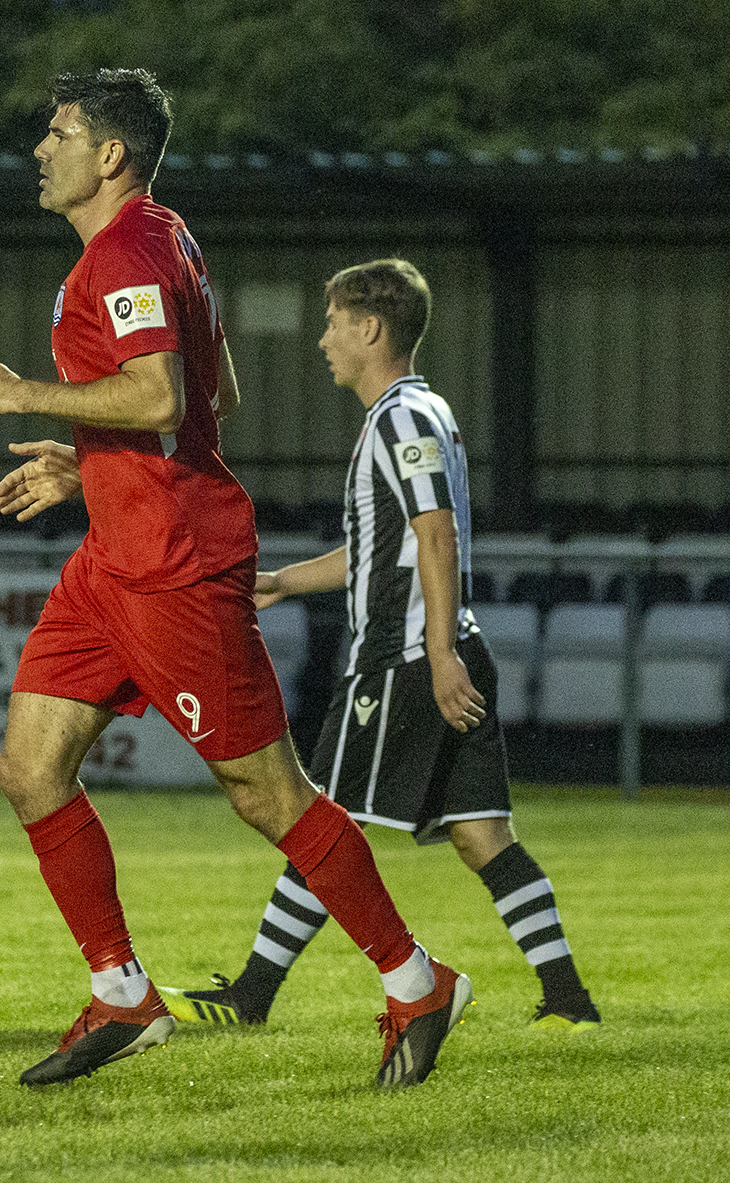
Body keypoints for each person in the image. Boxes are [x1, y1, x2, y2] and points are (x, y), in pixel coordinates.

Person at [0, 69, 470, 1089]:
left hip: (174, 567)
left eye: (59, 134)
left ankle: (417, 981)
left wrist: (21, 399)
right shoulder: (160, 239)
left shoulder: (130, 250)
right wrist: (83, 460)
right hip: (114, 559)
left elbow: (161, 393)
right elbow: (210, 391)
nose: (40, 150)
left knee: (267, 793)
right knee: (30, 766)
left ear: (110, 155)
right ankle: (124, 993)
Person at [156, 259, 601, 1033]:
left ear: (370, 328)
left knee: (318, 817)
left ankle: (253, 995)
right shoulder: (422, 411)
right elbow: (383, 548)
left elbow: (437, 533)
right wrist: (287, 581)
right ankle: (568, 998)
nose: (323, 338)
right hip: (444, 648)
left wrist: (434, 655)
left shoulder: (399, 417)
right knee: (481, 834)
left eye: (333, 322)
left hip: (403, 662)